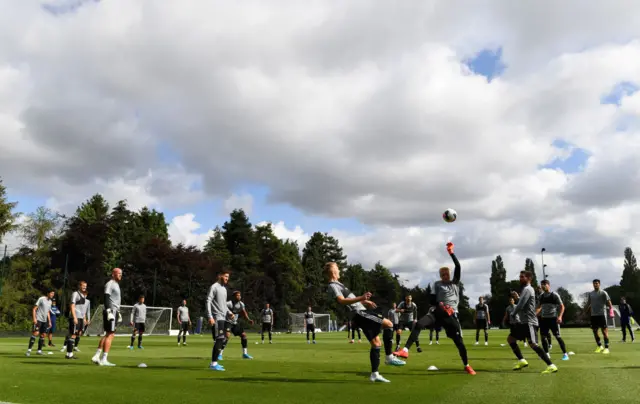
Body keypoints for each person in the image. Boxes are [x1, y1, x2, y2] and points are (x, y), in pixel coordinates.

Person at [393, 242, 475, 375]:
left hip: (451, 315)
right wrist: (438, 304)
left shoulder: (455, 283)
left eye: (446, 274)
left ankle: (467, 365)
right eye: (442, 275)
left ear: (449, 274)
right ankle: (405, 350)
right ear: (440, 276)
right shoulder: (437, 285)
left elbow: (458, 266)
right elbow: (432, 300)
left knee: (459, 342)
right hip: (438, 312)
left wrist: (451, 252)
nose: (445, 276)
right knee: (419, 324)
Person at [325, 261, 405, 383]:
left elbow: (350, 302)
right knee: (389, 324)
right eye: (337, 268)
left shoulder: (338, 284)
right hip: (359, 314)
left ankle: (375, 374)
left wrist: (363, 302)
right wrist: (361, 298)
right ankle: (389, 357)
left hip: (359, 313)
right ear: (333, 271)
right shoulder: (333, 285)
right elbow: (342, 301)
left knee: (376, 343)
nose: (339, 270)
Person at [507, 271, 558, 373]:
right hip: (524, 322)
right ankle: (521, 360)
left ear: (529, 278)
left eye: (522, 277)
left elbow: (521, 305)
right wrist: (517, 297)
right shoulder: (526, 290)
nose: (520, 279)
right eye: (520, 277)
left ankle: (551, 365)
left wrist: (512, 314)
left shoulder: (528, 289)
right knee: (511, 339)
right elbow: (523, 303)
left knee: (533, 344)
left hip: (529, 322)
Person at [91, 268, 123, 366]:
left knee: (108, 334)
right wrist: (109, 311)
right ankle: (104, 359)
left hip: (114, 310)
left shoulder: (116, 284)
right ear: (113, 274)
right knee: (110, 335)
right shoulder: (110, 284)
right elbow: (106, 297)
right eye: (118, 273)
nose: (120, 275)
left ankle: (97, 355)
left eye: (121, 274)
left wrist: (118, 312)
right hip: (111, 310)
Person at [536, 280, 569, 360]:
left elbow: (562, 306)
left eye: (544, 284)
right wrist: (535, 314)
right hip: (544, 319)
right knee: (543, 337)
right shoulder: (541, 296)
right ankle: (547, 354)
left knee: (557, 336)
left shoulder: (554, 295)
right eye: (542, 285)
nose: (543, 286)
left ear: (548, 285)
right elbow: (538, 307)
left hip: (553, 319)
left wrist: (560, 316)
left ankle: (565, 354)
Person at [206, 269, 231, 371]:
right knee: (219, 339)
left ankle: (215, 362)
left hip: (223, 317)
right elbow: (208, 301)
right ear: (219, 275)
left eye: (228, 277)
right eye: (225, 276)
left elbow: (224, 305)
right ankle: (213, 364)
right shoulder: (214, 287)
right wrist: (210, 316)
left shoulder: (224, 289)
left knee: (223, 338)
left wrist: (229, 313)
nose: (227, 279)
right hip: (216, 317)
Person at [219, 291, 254, 360]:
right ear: (234, 297)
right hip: (227, 322)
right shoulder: (229, 303)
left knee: (244, 335)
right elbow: (222, 307)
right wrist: (229, 313)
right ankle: (219, 354)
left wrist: (248, 320)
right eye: (237, 295)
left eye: (239, 295)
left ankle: (245, 354)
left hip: (234, 323)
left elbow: (244, 312)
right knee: (227, 336)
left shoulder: (241, 304)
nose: (239, 297)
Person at [584, 279, 613, 354]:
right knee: (595, 331)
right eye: (594, 283)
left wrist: (611, 311)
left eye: (597, 283)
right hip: (593, 315)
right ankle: (599, 346)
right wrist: (584, 312)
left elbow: (609, 302)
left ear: (599, 284)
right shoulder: (591, 294)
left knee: (604, 331)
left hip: (602, 314)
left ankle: (606, 348)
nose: (595, 285)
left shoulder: (603, 293)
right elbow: (588, 303)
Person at [63, 281, 90, 360]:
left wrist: (84, 318)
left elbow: (83, 308)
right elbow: (72, 305)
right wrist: (74, 317)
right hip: (76, 317)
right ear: (79, 286)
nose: (84, 287)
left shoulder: (83, 295)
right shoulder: (75, 294)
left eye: (86, 286)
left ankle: (69, 353)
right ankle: (69, 354)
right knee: (73, 334)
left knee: (77, 334)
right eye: (83, 286)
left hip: (81, 318)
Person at [26, 289, 54, 356]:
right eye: (51, 293)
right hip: (38, 319)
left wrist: (49, 321)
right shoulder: (41, 299)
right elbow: (34, 309)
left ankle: (39, 351)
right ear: (48, 293)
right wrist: (34, 318)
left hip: (45, 321)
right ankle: (29, 351)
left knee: (43, 335)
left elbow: (48, 312)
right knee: (35, 333)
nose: (52, 295)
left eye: (53, 294)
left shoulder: (50, 301)